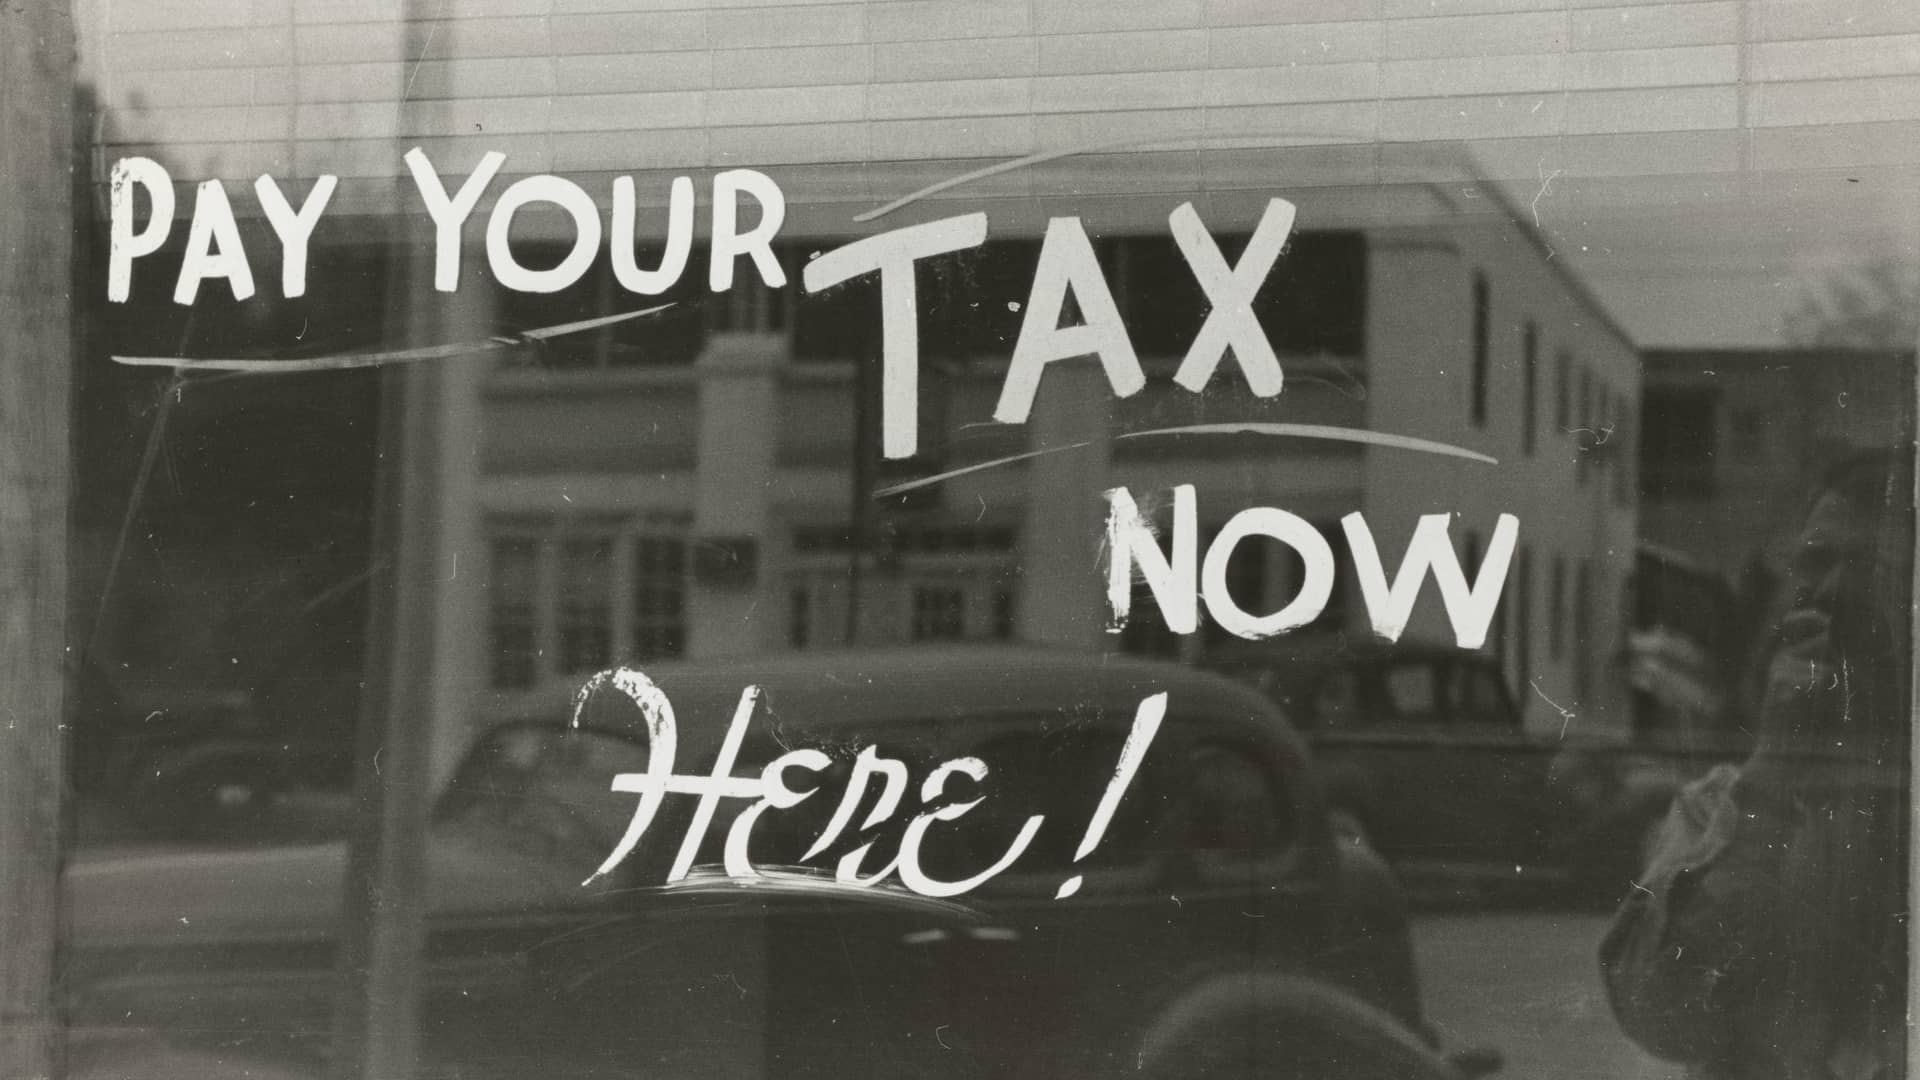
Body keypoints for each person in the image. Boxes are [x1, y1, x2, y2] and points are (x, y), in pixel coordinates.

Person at [1601, 447, 1914, 1080]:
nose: (1829, 595)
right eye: (1815, 564)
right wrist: (1771, 776)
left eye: (1868, 571)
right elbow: (1659, 1015)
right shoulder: (1719, 812)